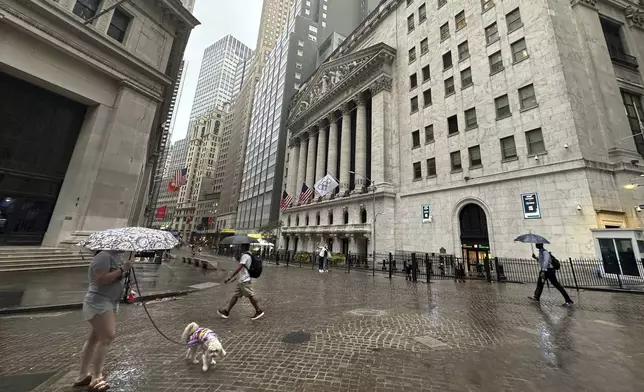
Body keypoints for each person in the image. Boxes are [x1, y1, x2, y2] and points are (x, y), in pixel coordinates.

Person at [74, 250, 133, 391]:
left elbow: (113, 279)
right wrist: (122, 269)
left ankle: (82, 375)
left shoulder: (114, 257)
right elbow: (100, 279)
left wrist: (125, 272)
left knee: (95, 338)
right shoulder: (103, 257)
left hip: (108, 301)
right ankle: (96, 378)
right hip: (99, 302)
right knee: (107, 336)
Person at [217, 244, 264, 320]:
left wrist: (230, 277)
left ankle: (258, 311)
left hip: (244, 280)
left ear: (243, 247)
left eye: (241, 246)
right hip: (242, 279)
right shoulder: (249, 254)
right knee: (235, 296)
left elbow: (240, 268)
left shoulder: (245, 255)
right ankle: (226, 312)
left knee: (250, 295)